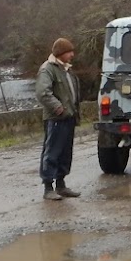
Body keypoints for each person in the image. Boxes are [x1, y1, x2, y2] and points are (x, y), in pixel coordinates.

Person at [36, 37, 81, 201]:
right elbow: (42, 92)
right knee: (52, 152)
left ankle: (61, 185)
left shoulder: (65, 69)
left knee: (65, 153)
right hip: (56, 118)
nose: (72, 55)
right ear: (60, 53)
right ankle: (48, 187)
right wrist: (57, 107)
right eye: (69, 52)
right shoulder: (47, 69)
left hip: (68, 117)